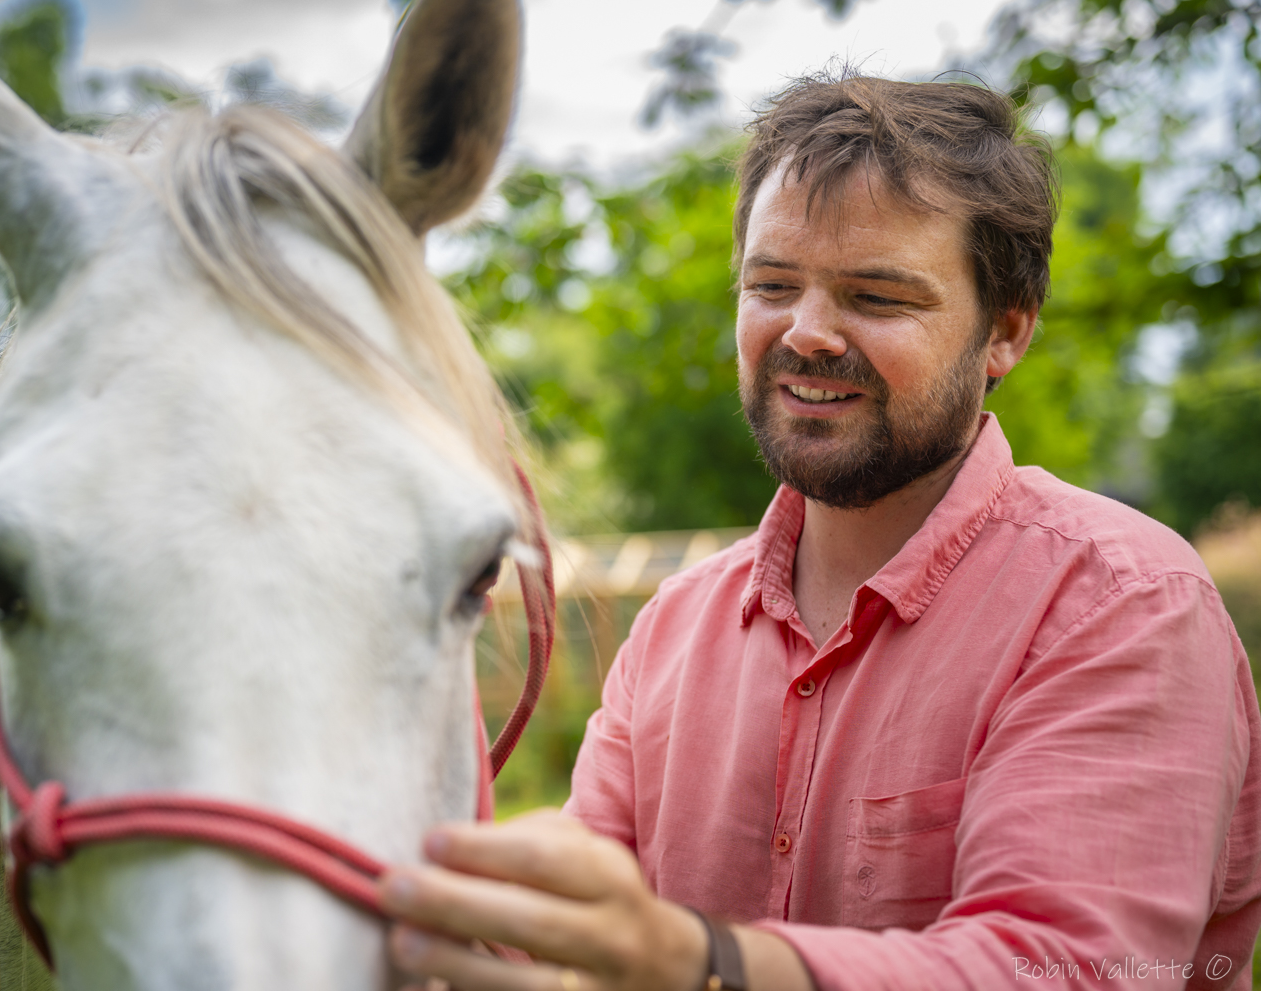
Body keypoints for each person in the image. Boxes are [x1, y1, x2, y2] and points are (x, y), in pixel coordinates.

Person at [376, 74, 1261, 991]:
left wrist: (700, 962)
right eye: (770, 285)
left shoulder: (1120, 606)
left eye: (875, 297)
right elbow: (559, 922)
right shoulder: (678, 625)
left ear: (1003, 333)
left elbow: (1066, 969)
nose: (805, 333)